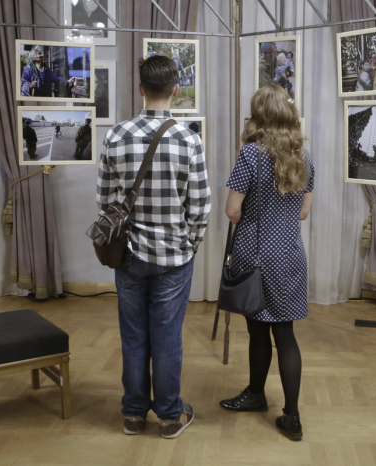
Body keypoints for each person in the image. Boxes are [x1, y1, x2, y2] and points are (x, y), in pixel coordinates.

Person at [97, 55, 211, 439]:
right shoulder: (188, 139)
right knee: (166, 338)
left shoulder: (115, 135)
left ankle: (133, 415)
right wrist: (190, 244)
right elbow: (201, 205)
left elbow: (105, 202)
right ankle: (168, 417)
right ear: (176, 90)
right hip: (174, 256)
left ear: (141, 88)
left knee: (133, 337)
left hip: (128, 253)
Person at [220, 84, 314, 441]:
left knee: (258, 330)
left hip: (255, 254)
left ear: (260, 115)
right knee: (285, 334)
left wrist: (254, 212)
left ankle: (256, 395)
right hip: (289, 255)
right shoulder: (304, 156)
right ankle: (292, 416)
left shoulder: (251, 154)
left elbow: (232, 210)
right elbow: (303, 213)